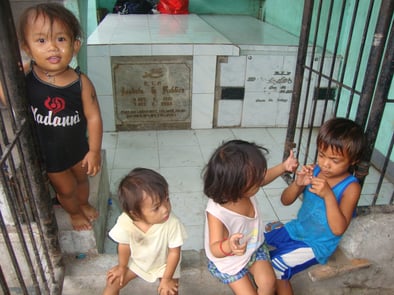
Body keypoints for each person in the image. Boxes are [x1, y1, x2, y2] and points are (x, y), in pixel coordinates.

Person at [17, 3, 103, 230]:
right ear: (27, 47)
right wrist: (16, 72)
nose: (52, 48)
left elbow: (93, 117)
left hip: (78, 150)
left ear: (75, 46)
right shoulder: (26, 80)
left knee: (82, 181)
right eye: (42, 41)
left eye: (61, 40)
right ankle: (74, 212)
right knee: (65, 189)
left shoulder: (80, 82)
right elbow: (7, 97)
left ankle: (82, 204)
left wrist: (94, 151)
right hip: (50, 155)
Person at [264, 117, 365, 295]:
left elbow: (338, 229)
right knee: (258, 246)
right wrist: (298, 184)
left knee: (275, 267)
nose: (325, 164)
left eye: (334, 160)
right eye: (322, 155)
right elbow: (285, 201)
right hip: (296, 228)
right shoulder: (315, 170)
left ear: (353, 160)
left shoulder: (351, 187)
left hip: (317, 244)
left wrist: (328, 195)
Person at [203, 140, 299, 295]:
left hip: (254, 247)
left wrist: (283, 167)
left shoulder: (244, 188)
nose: (260, 180)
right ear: (236, 184)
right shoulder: (217, 212)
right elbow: (215, 248)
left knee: (269, 283)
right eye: (256, 180)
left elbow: (263, 179)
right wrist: (229, 246)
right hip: (230, 260)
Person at [104, 168, 187, 295]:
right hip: (138, 262)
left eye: (167, 199)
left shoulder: (172, 223)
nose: (166, 209)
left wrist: (167, 279)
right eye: (156, 207)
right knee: (112, 283)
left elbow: (174, 253)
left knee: (169, 291)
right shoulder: (125, 222)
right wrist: (122, 267)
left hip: (165, 266)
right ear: (136, 214)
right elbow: (124, 246)